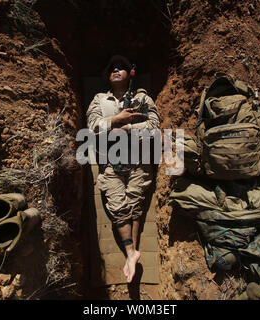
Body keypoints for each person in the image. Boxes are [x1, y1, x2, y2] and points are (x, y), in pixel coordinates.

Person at [86, 55, 160, 283]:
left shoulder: (142, 98)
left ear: (130, 74)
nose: (117, 69)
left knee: (135, 203)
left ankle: (132, 252)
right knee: (118, 207)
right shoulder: (100, 99)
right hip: (110, 162)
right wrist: (116, 119)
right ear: (107, 76)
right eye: (112, 68)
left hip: (138, 160)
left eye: (122, 68)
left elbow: (155, 127)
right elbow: (91, 127)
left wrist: (128, 128)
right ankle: (131, 253)